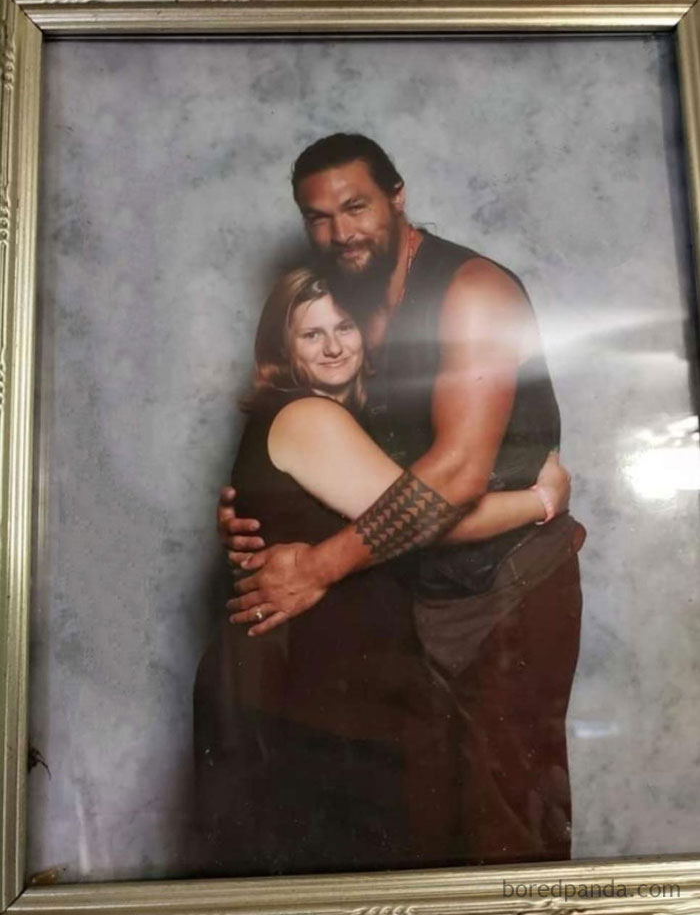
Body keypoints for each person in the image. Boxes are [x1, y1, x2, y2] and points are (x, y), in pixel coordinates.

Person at [223, 134, 586, 865]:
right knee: (428, 830)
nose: (339, 231)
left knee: (507, 824)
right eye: (318, 217)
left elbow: (453, 477)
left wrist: (319, 563)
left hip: (506, 591)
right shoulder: (349, 303)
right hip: (408, 603)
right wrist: (262, 515)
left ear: (397, 196)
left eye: (355, 206)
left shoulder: (472, 291)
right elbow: (340, 455)